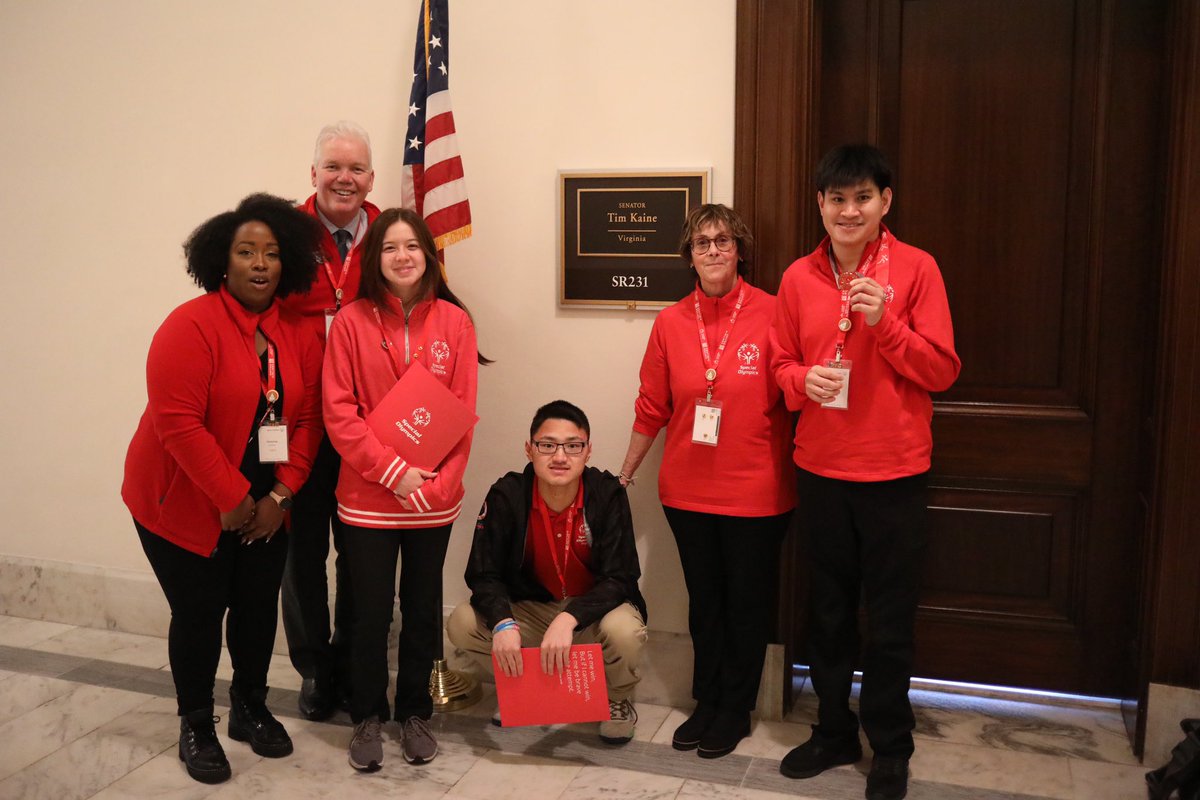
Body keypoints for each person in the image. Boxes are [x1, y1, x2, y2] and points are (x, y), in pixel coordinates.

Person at [771, 144, 960, 800]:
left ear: (886, 202)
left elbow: (942, 370)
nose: (848, 211)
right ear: (820, 205)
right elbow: (780, 367)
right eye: (837, 199)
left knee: (889, 619)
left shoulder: (917, 268)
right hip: (821, 469)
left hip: (894, 472)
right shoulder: (798, 278)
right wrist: (802, 379)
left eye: (862, 198)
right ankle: (832, 730)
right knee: (826, 613)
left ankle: (891, 745)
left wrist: (887, 325)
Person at [121, 194, 325, 784]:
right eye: (246, 252)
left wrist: (279, 497)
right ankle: (195, 724)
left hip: (266, 501)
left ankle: (249, 706)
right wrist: (233, 499)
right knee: (200, 612)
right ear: (221, 260)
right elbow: (177, 424)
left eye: (272, 253)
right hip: (183, 501)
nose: (260, 264)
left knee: (257, 608)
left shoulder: (298, 334)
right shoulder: (189, 326)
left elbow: (308, 421)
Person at [616, 203, 796, 758]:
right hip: (688, 493)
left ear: (739, 250)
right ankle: (708, 700)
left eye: (723, 240)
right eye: (702, 243)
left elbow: (795, 391)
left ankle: (736, 709)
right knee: (705, 602)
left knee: (746, 603)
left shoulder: (774, 312)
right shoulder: (670, 322)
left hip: (758, 492)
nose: (713, 250)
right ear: (689, 256)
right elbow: (652, 406)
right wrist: (625, 473)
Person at [323, 208, 485, 772]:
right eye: (390, 247)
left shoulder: (455, 323)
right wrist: (393, 473)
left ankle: (415, 712)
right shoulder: (350, 322)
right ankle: (366, 715)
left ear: (428, 255)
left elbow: (463, 414)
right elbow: (339, 413)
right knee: (368, 614)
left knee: (421, 611)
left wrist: (441, 484)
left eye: (412, 246)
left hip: (431, 503)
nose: (402, 256)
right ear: (375, 258)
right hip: (367, 499)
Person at [448, 400, 649, 745]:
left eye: (573, 446)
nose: (560, 456)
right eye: (547, 445)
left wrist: (569, 618)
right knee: (462, 622)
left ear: (588, 451)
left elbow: (621, 576)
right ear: (529, 449)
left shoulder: (607, 494)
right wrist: (503, 623)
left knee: (625, 632)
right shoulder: (507, 495)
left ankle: (616, 698)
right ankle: (524, 690)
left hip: (591, 615)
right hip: (532, 609)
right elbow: (483, 574)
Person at [279, 121, 382, 721]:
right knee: (303, 553)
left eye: (356, 168)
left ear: (371, 178)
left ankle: (353, 661)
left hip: (367, 423)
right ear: (313, 172)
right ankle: (316, 668)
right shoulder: (283, 234)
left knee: (361, 550)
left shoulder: (391, 234)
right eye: (334, 167)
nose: (345, 178)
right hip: (299, 422)